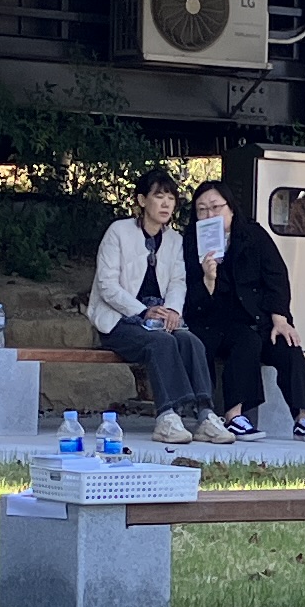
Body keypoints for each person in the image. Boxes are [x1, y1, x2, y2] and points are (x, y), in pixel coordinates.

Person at [88, 166, 222, 444]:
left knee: (190, 341)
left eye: (171, 198)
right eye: (159, 196)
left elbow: (178, 281)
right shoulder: (118, 232)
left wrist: (172, 310)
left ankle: (206, 415)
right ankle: (167, 417)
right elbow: (107, 285)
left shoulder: (174, 240)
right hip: (120, 320)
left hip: (159, 319)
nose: (166, 204)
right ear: (141, 200)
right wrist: (142, 311)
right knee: (162, 343)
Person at [191, 178, 305, 442]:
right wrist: (209, 278)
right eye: (202, 210)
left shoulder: (253, 235)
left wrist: (280, 318)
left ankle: (302, 417)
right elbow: (194, 298)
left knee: (289, 346)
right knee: (246, 342)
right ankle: (234, 415)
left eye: (215, 207)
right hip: (219, 323)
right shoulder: (190, 243)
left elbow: (276, 276)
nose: (209, 214)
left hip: (261, 318)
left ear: (231, 208)